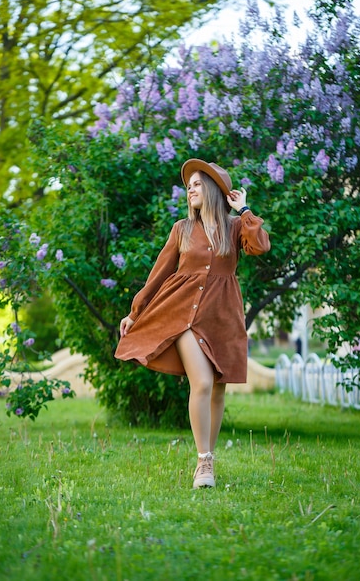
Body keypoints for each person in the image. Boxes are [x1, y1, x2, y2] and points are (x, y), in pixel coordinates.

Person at [115, 158, 270, 488]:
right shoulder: (181, 230)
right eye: (189, 186)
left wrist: (245, 210)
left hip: (222, 317)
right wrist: (135, 311)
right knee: (200, 383)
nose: (191, 189)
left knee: (217, 390)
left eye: (198, 184)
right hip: (182, 313)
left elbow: (260, 245)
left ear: (215, 189)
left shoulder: (235, 227)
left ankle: (208, 459)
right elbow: (159, 274)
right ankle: (203, 463)